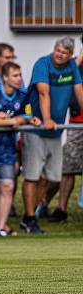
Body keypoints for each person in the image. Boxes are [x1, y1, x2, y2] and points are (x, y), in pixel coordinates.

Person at [20, 37, 83, 233]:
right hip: (37, 128)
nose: (59, 55)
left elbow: (79, 90)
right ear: (54, 49)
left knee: (55, 178)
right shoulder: (43, 63)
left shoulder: (72, 65)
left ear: (70, 55)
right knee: (32, 176)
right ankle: (28, 218)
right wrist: (46, 119)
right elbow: (43, 93)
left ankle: (37, 208)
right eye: (58, 50)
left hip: (55, 131)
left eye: (64, 53)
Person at [0, 62, 38, 235]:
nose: (19, 79)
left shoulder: (23, 94)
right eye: (15, 75)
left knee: (6, 186)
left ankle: (1, 226)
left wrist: (13, 121)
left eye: (20, 75)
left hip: (7, 150)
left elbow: (26, 117)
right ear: (5, 77)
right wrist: (7, 121)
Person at [51, 92, 83, 222]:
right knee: (67, 168)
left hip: (75, 123)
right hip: (76, 123)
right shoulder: (77, 72)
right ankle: (61, 210)